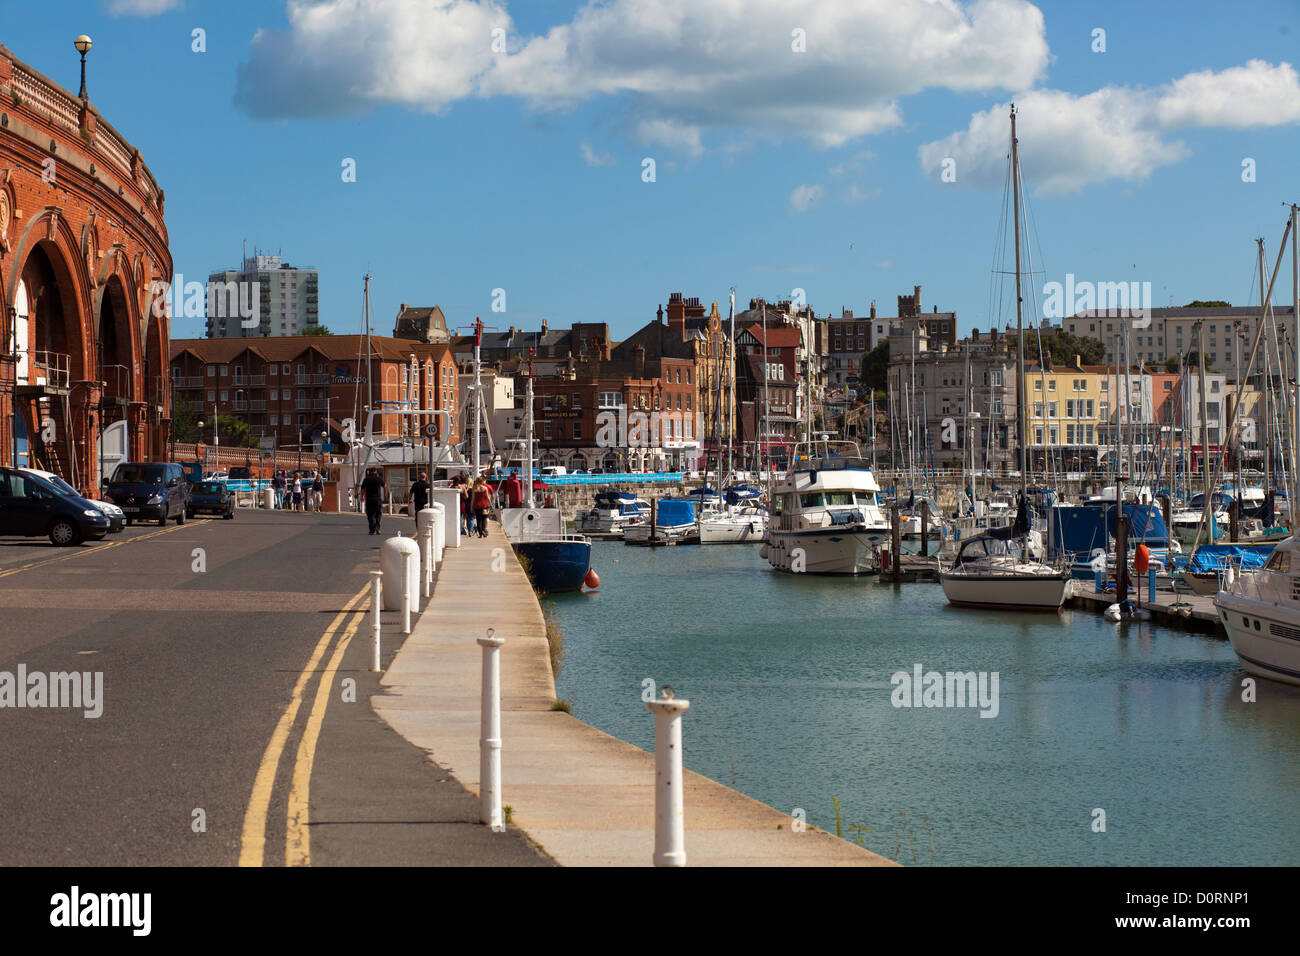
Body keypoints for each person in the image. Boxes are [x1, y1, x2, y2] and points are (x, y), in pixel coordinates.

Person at [361, 468, 385, 534]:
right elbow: (384, 485)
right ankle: (377, 528)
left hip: (369, 499)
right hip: (377, 498)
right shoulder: (378, 478)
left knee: (370, 514)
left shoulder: (366, 479)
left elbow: (363, 489)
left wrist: (362, 497)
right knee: (378, 514)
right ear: (375, 472)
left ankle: (372, 530)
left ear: (369, 472)